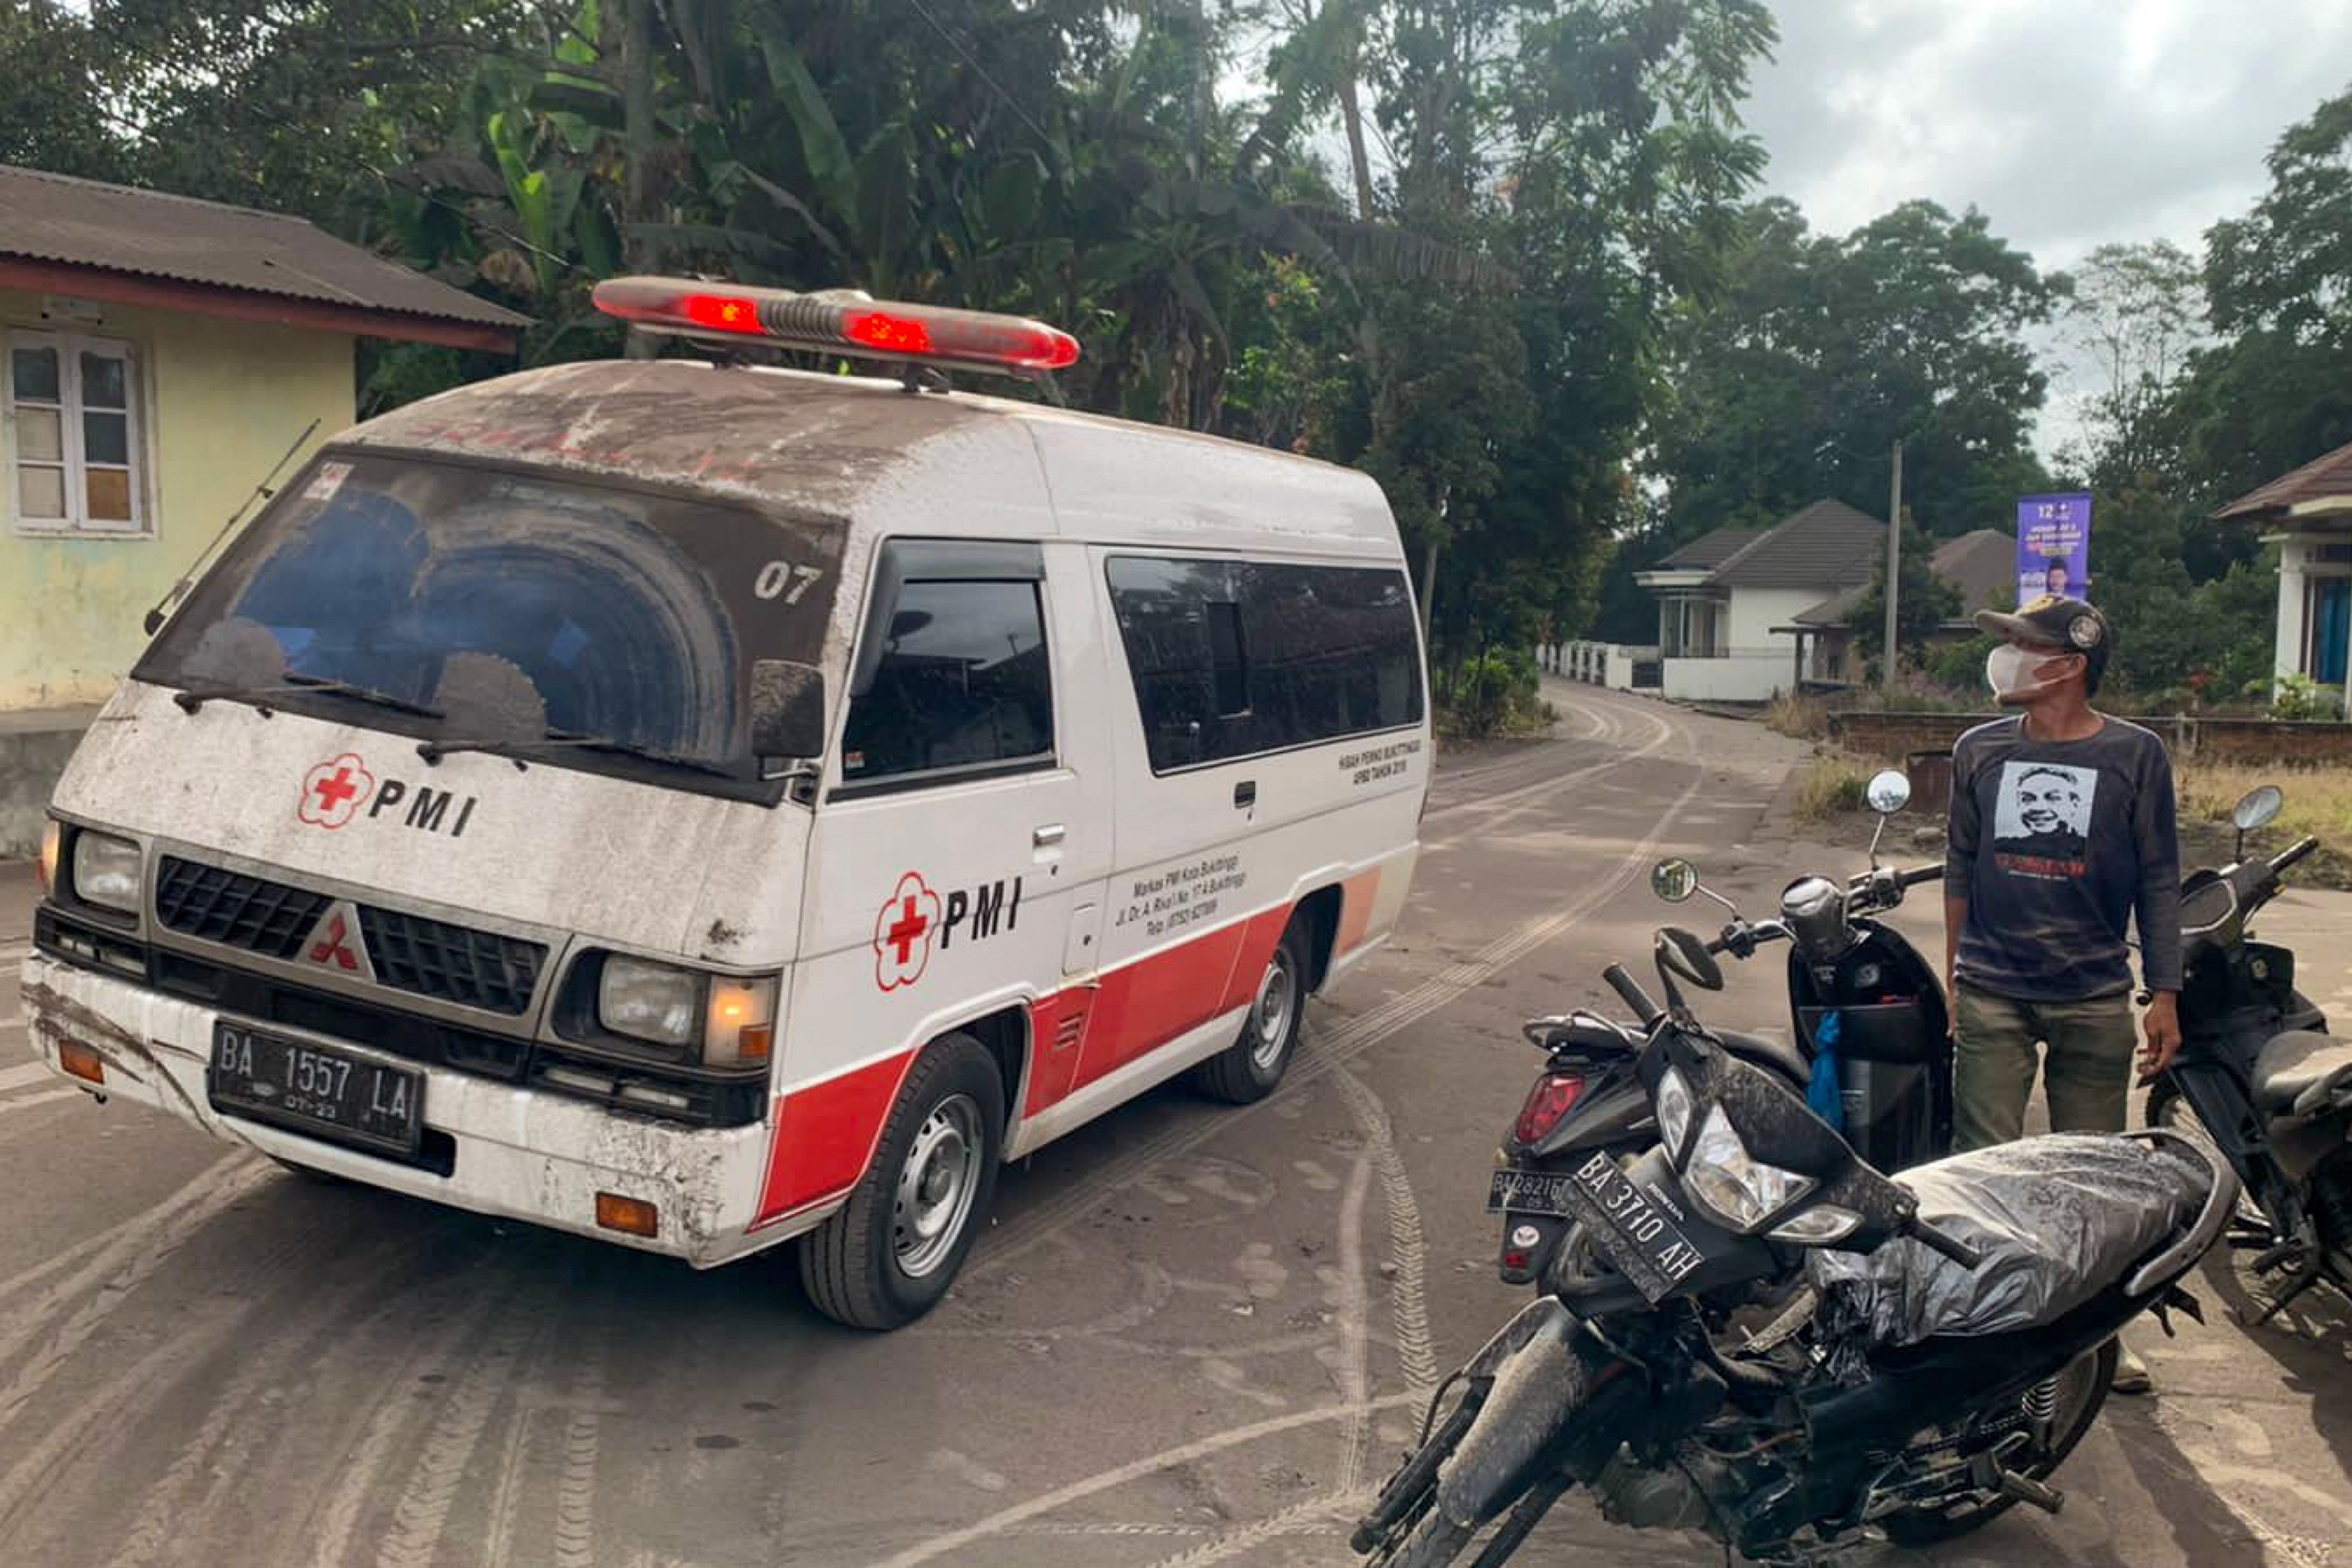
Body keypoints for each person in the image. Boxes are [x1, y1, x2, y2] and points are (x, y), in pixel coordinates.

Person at [1943, 595, 2181, 1395]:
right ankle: (1983, 1322)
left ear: (2070, 665)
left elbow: (2158, 878)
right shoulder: (1978, 751)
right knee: (1985, 1170)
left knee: (2093, 1182)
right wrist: (1955, 974)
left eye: (2021, 645)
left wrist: (2165, 993)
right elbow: (1959, 867)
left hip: (2092, 995)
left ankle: (2093, 1338)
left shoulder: (2135, 756)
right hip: (1994, 992)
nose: (2005, 658)